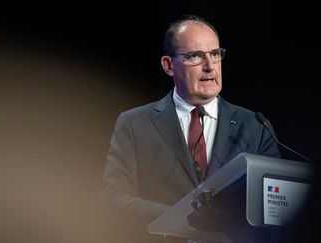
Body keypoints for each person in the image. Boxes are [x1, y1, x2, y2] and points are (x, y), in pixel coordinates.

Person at [100, 14, 281, 243]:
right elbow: (113, 200)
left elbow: (274, 204)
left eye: (215, 54)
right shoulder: (134, 124)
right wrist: (182, 219)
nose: (209, 66)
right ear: (168, 65)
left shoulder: (256, 125)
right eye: (195, 56)